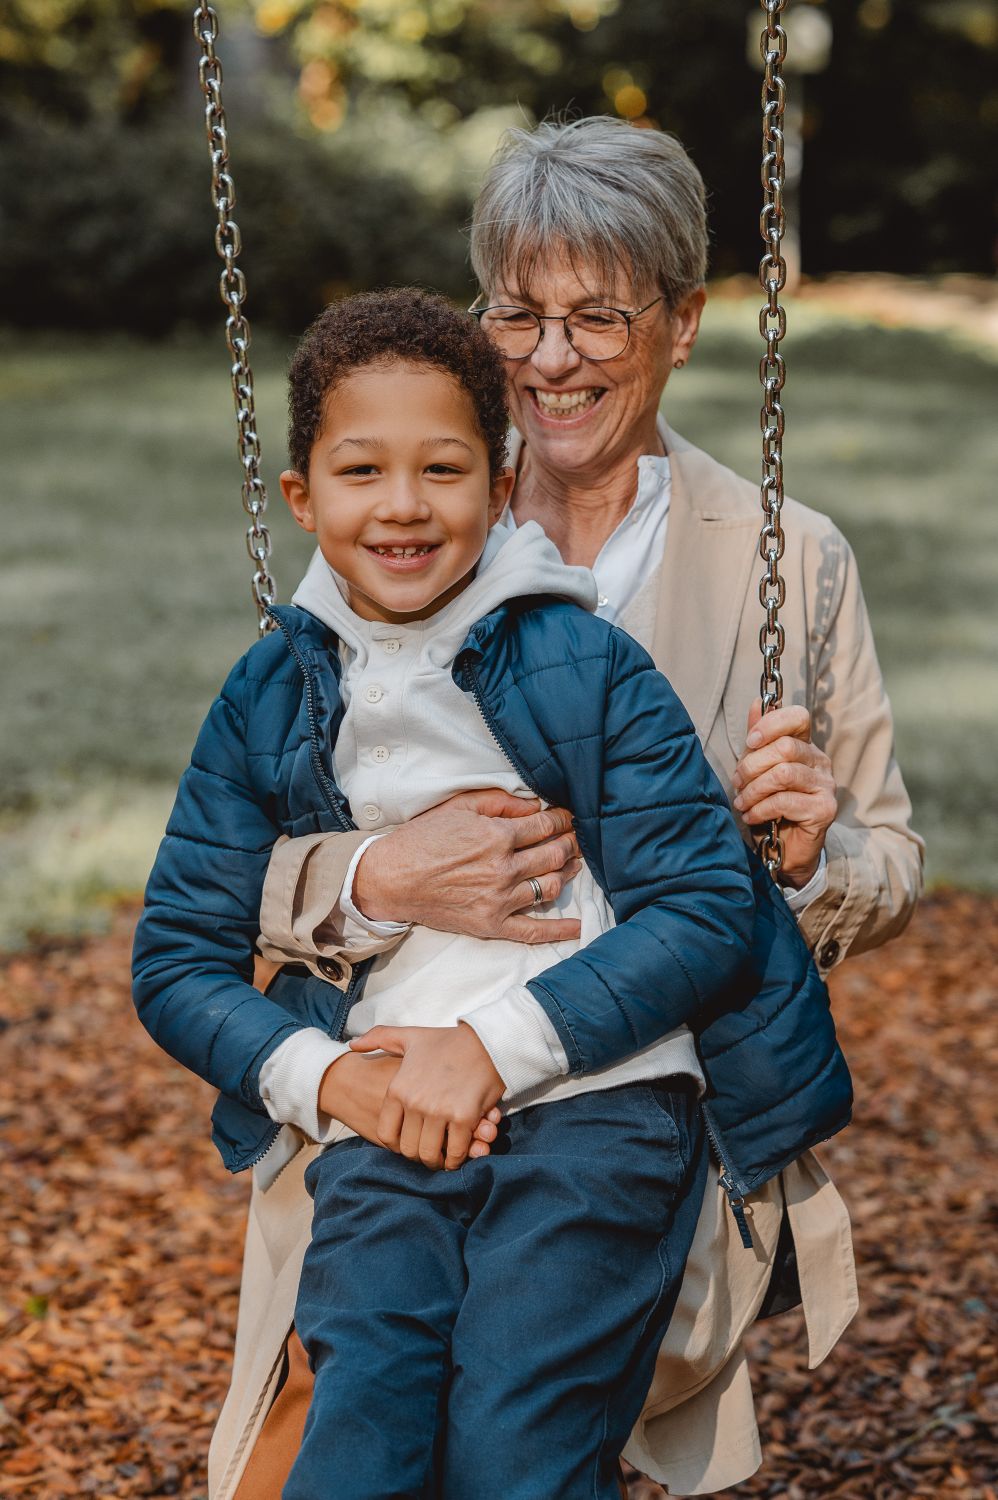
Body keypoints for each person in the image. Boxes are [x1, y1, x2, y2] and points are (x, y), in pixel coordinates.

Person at [211, 118, 924, 1499]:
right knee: (349, 1408)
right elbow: (240, 849)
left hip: (633, 1094)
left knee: (516, 1426)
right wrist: (373, 880)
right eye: (516, 314)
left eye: (598, 315)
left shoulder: (785, 560)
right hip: (404, 1077)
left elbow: (887, 864)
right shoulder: (415, 521)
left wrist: (810, 851)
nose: (548, 359)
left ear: (684, 324)